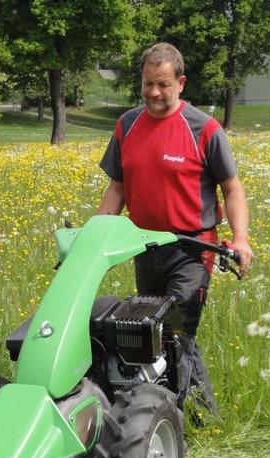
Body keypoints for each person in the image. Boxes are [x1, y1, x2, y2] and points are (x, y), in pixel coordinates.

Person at [97, 42, 254, 415]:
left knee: (177, 334)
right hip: (145, 247)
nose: (154, 92)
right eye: (148, 83)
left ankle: (195, 418)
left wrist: (243, 240)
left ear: (180, 83)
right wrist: (96, 236)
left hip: (191, 248)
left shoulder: (204, 129)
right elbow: (117, 188)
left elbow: (232, 189)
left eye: (163, 84)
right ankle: (163, 412)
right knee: (147, 335)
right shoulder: (127, 125)